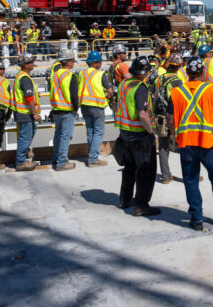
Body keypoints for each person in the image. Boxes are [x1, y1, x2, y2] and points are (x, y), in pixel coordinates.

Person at [168, 56, 213, 230]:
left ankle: (196, 219)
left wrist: (176, 135)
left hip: (186, 144)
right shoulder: (211, 90)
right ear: (202, 72)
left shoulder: (176, 92)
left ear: (187, 72)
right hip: (208, 143)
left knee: (191, 181)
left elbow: (170, 119)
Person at [114, 55, 161, 216]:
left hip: (124, 133)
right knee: (146, 171)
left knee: (129, 168)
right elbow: (142, 114)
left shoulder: (123, 84)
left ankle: (125, 199)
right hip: (140, 135)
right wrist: (151, 133)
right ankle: (141, 205)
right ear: (145, 72)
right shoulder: (140, 87)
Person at [154, 53, 186, 182]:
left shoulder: (159, 78)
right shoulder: (177, 81)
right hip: (174, 117)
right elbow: (181, 101)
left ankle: (166, 176)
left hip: (160, 116)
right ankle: (189, 175)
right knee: (184, 147)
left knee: (163, 146)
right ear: (179, 67)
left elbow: (151, 93)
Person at [79, 51, 112, 167]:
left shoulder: (81, 74)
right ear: (95, 63)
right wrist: (107, 99)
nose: (101, 63)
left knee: (90, 131)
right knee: (98, 132)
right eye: (100, 61)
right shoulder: (100, 74)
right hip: (97, 106)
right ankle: (93, 159)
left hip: (84, 105)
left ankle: (91, 155)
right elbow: (110, 91)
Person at [50, 48, 80, 171]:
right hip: (67, 110)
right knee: (65, 136)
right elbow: (74, 95)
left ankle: (56, 158)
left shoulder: (54, 75)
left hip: (56, 109)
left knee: (58, 135)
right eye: (72, 60)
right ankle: (61, 163)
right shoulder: (70, 76)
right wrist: (76, 109)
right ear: (67, 62)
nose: (73, 63)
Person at [12, 53, 40, 170]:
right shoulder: (25, 78)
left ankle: (23, 157)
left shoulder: (20, 76)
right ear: (26, 65)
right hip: (25, 112)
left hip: (22, 111)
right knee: (25, 137)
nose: (33, 64)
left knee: (27, 135)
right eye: (31, 62)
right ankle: (20, 162)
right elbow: (28, 98)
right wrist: (34, 113)